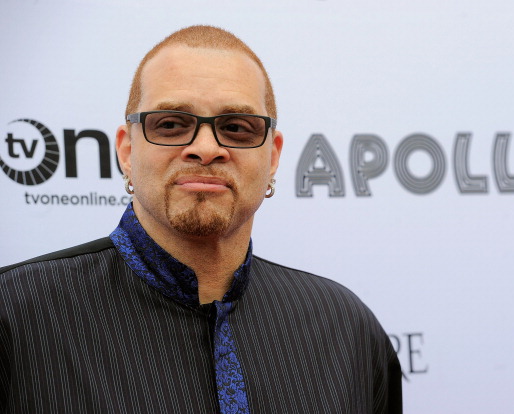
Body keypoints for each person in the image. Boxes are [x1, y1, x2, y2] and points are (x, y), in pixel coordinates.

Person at [0, 25, 402, 413]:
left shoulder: (345, 328)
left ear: (273, 156)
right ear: (126, 150)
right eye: (172, 124)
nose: (206, 148)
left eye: (237, 127)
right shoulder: (14, 316)